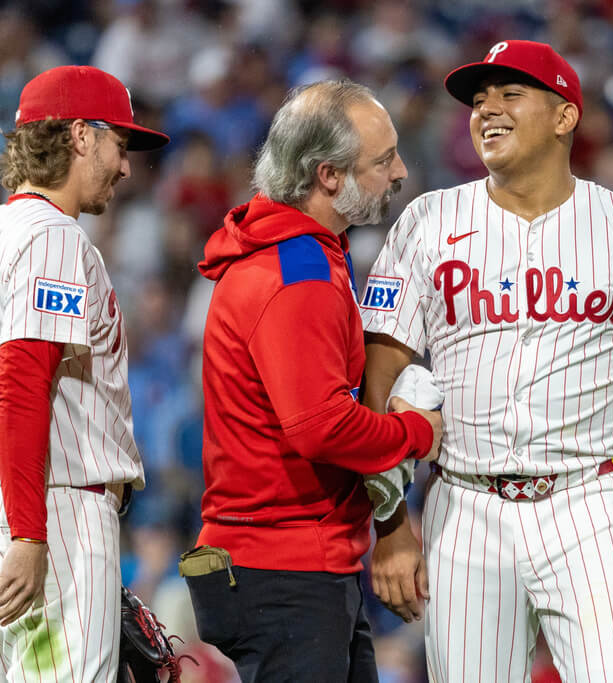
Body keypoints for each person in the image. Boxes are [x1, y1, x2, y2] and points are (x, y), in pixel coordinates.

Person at [361, 40, 613, 682]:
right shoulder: (427, 222)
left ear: (564, 116)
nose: (486, 109)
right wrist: (391, 526)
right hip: (463, 507)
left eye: (510, 94)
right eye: (478, 99)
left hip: (589, 502)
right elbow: (376, 378)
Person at [183, 79, 442, 683]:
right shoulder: (298, 275)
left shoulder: (300, 253)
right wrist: (416, 432)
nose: (400, 171)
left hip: (288, 565)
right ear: (328, 175)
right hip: (286, 571)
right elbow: (320, 427)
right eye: (382, 161)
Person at [0, 65, 169, 681]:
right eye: (119, 145)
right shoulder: (53, 237)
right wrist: (30, 533)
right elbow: (21, 384)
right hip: (52, 515)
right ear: (79, 135)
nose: (126, 167)